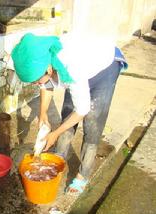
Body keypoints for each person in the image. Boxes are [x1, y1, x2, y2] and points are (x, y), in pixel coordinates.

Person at [11, 33, 127, 195]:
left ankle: (83, 174)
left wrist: (55, 133)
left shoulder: (71, 67)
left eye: (37, 80)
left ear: (49, 69)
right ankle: (60, 156)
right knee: (67, 114)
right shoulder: (44, 57)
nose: (36, 84)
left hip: (104, 68)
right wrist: (43, 113)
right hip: (80, 65)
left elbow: (82, 109)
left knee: (92, 121)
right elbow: (46, 84)